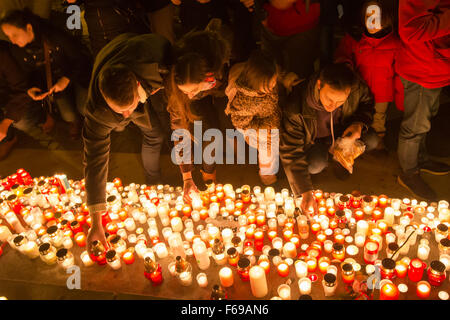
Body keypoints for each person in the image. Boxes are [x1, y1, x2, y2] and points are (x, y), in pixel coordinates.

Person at [84, 33, 172, 254]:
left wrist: (165, 86)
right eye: (119, 111)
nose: (125, 114)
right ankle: (153, 182)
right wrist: (96, 220)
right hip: (114, 62)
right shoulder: (97, 113)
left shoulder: (154, 59)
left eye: (130, 106)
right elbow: (95, 159)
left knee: (157, 132)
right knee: (153, 134)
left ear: (137, 84)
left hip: (133, 50)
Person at [279, 63, 378, 216]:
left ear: (349, 91)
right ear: (319, 85)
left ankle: (339, 159)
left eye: (340, 102)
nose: (332, 106)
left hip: (342, 133)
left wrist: (358, 123)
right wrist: (305, 192)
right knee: (314, 165)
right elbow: (290, 150)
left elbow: (367, 104)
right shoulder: (296, 106)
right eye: (329, 99)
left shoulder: (356, 88)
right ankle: (326, 159)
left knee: (371, 139)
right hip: (315, 141)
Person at [166, 18, 231, 203]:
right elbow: (180, 131)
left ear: (207, 76)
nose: (190, 94)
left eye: (193, 90)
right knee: (207, 135)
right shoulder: (178, 91)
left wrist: (218, 85)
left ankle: (209, 173)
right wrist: (186, 176)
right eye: (185, 91)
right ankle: (208, 175)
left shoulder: (217, 58)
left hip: (221, 89)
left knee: (223, 130)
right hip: (207, 89)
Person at [0, 9, 92, 139]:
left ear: (28, 28)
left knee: (85, 108)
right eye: (8, 37)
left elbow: (81, 59)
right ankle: (75, 121)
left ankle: (91, 122)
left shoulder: (54, 36)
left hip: (77, 76)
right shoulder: (17, 49)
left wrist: (66, 78)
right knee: (68, 115)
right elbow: (30, 73)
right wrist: (32, 88)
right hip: (55, 83)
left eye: (15, 35)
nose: (12, 41)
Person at [395, 0, 450, 201]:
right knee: (415, 125)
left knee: (424, 119)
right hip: (422, 68)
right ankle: (408, 173)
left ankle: (420, 158)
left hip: (434, 67)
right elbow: (410, 30)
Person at [225, 50, 299, 185]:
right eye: (271, 84)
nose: (273, 85)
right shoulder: (244, 102)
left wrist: (285, 79)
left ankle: (280, 162)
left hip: (270, 115)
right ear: (257, 83)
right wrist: (261, 129)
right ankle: (267, 173)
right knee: (267, 146)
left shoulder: (267, 80)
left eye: (274, 81)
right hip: (253, 127)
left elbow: (276, 76)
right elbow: (240, 123)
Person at [334, 0, 400, 149]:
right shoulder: (354, 38)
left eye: (377, 16)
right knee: (353, 113)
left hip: (382, 91)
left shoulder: (395, 44)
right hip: (358, 90)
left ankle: (378, 142)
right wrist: (346, 65)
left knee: (378, 118)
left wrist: (400, 94)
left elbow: (399, 71)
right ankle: (349, 144)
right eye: (368, 15)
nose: (372, 20)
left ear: (387, 18)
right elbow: (342, 54)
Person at [0, 41, 41, 159]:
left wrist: (6, 123)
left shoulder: (3, 56)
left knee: (23, 123)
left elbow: (22, 89)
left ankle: (42, 117)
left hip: (17, 95)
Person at [65, 0, 151, 57]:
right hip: (96, 30)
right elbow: (71, 2)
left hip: (118, 23)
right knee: (103, 63)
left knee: (125, 57)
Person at [260, 0, 321, 79]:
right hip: (271, 23)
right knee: (268, 72)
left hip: (301, 27)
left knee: (296, 73)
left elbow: (280, 3)